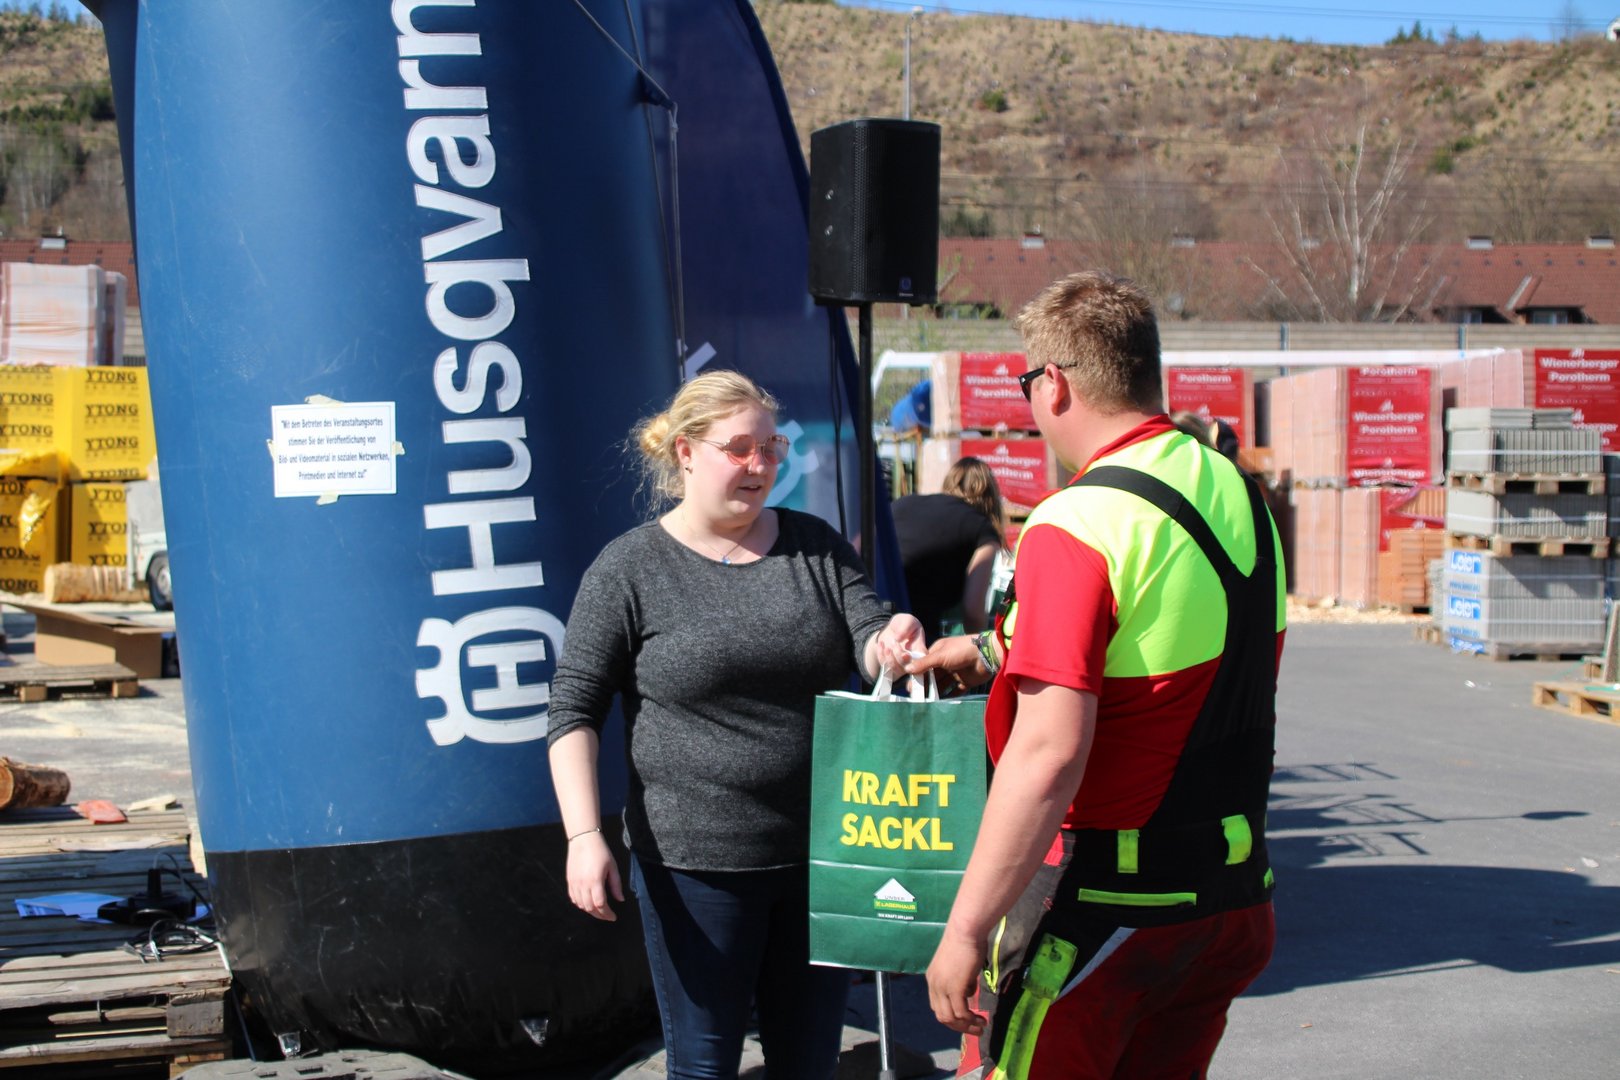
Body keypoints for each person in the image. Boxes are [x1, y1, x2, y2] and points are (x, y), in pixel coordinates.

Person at [906, 271, 1286, 1078]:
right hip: (1227, 899)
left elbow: (1048, 755)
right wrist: (989, 651)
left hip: (1105, 910)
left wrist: (965, 928)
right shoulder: (1238, 492)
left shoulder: (1077, 519)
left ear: (1055, 384)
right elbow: (1167, 625)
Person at [546, 370, 924, 1080]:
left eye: (771, 448)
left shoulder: (814, 545)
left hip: (823, 857)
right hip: (695, 869)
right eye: (740, 448)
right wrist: (583, 836)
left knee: (808, 1063)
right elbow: (573, 707)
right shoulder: (629, 569)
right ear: (686, 452)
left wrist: (892, 639)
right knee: (704, 1064)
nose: (760, 465)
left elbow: (870, 640)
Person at [891, 457, 1009, 644]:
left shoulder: (904, 503)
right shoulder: (982, 529)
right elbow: (973, 611)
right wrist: (979, 652)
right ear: (990, 498)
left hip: (869, 617)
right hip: (912, 630)